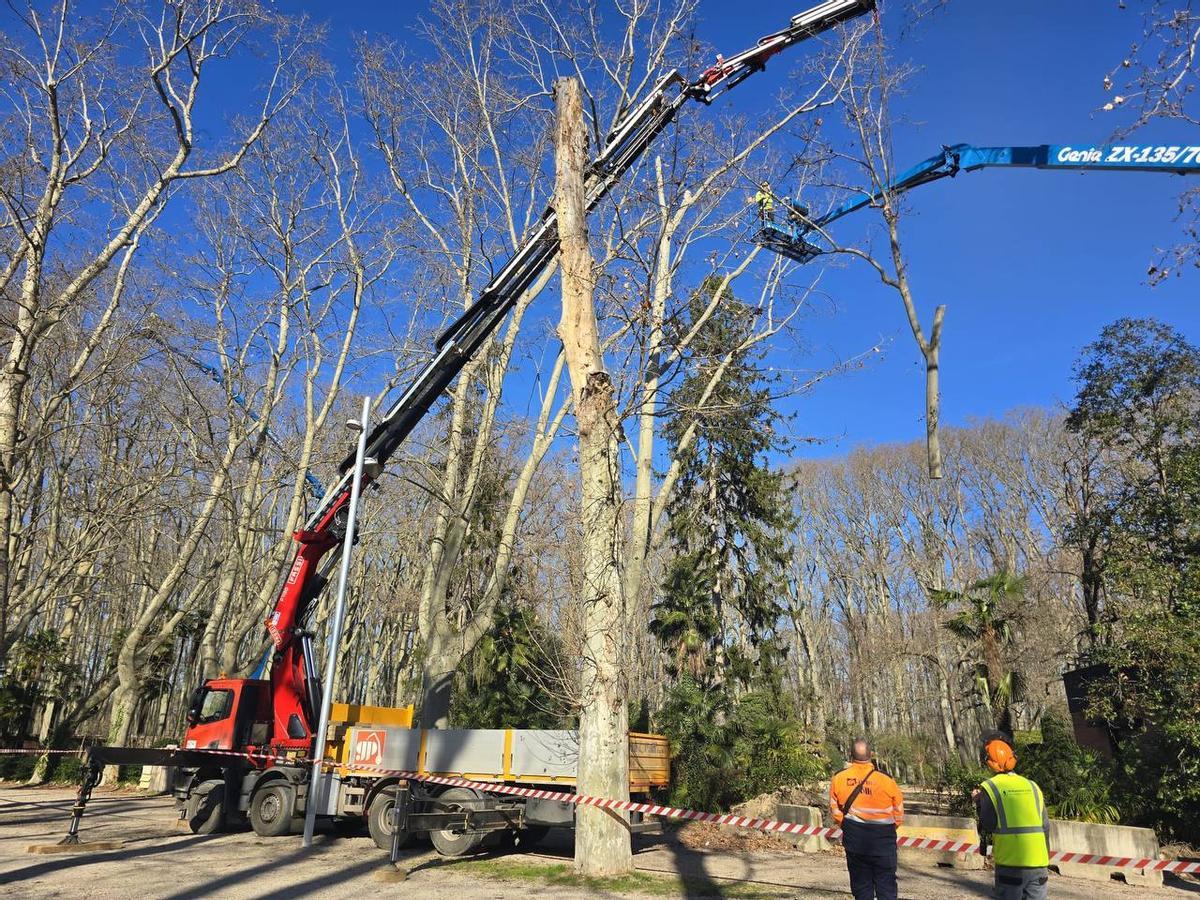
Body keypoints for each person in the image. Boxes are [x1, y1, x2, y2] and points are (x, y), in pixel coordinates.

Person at [973, 735, 1051, 900]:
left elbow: (988, 824)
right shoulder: (1032, 786)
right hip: (1039, 862)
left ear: (989, 763)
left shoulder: (990, 787)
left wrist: (979, 803)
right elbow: (1045, 825)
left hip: (1010, 864)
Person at [830, 738, 905, 900]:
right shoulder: (887, 780)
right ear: (871, 755)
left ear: (851, 756)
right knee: (886, 888)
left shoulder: (839, 778)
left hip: (855, 841)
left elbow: (834, 809)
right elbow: (898, 812)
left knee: (861, 888)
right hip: (883, 841)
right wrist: (890, 828)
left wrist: (847, 825)